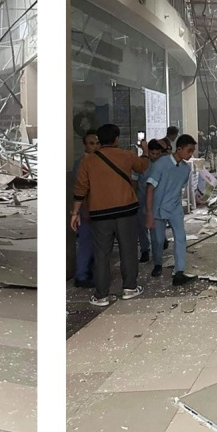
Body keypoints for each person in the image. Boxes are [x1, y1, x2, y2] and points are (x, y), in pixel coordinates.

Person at [71, 123, 151, 307]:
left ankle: (101, 296)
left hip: (100, 215)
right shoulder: (126, 156)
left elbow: (80, 188)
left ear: (99, 140)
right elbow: (142, 166)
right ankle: (130, 288)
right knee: (128, 251)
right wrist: (145, 150)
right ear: (116, 139)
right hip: (126, 211)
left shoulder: (88, 161)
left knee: (101, 254)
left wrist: (75, 213)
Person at [146, 133, 199, 285]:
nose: (191, 154)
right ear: (180, 149)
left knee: (180, 237)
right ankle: (157, 264)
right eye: (189, 151)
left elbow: (179, 188)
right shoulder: (161, 164)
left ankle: (179, 272)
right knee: (157, 240)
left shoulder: (185, 169)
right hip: (157, 207)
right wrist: (149, 213)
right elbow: (150, 188)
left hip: (175, 207)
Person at [71, 130, 100, 287]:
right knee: (86, 244)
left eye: (96, 143)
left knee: (95, 244)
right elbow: (81, 189)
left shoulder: (96, 161)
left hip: (96, 208)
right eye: (91, 143)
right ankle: (81, 275)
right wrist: (80, 210)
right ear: (84, 145)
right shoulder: (82, 163)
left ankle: (87, 271)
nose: (94, 146)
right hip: (86, 209)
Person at [135, 140, 165, 265]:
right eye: (153, 153)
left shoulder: (163, 164)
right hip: (141, 199)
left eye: (158, 154)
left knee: (155, 231)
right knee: (141, 228)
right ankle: (145, 250)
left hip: (157, 203)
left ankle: (157, 257)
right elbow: (134, 182)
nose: (155, 156)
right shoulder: (141, 164)